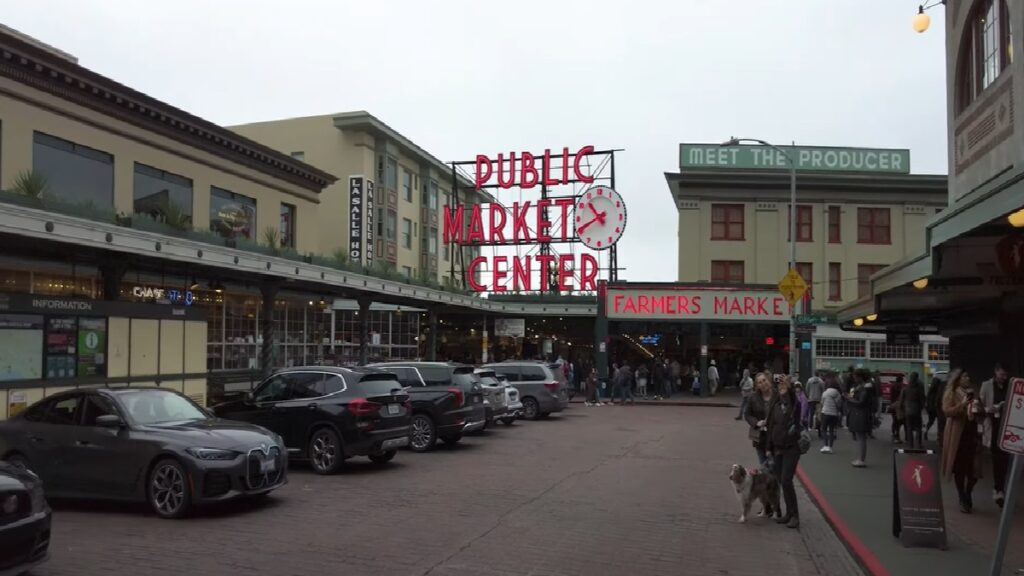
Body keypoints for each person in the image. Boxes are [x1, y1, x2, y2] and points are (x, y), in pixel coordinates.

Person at [941, 369, 982, 513]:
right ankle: (962, 496)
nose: (968, 378)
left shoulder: (972, 392)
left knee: (974, 470)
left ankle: (968, 492)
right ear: (958, 379)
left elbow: (979, 411)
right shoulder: (951, 392)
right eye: (964, 376)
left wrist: (977, 407)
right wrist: (962, 404)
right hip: (957, 435)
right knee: (960, 468)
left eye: (968, 375)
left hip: (972, 433)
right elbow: (947, 411)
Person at [766, 375, 802, 529]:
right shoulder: (775, 405)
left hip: (791, 447)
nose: (781, 388)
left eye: (784, 386)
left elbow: (794, 399)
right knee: (781, 480)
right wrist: (768, 448)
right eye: (779, 386)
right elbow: (770, 426)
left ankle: (794, 515)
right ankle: (788, 513)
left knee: (787, 480)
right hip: (778, 447)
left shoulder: (794, 405)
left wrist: (789, 386)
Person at [980, 363, 1011, 508]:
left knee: (1004, 460)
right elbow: (980, 407)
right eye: (1001, 374)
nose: (1004, 378)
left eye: (1006, 375)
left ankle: (1001, 488)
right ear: (996, 372)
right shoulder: (986, 385)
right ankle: (998, 489)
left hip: (1006, 428)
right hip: (993, 426)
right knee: (996, 459)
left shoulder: (1010, 386)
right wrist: (989, 409)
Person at [745, 372, 774, 468]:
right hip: (760, 437)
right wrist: (756, 423)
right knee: (764, 467)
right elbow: (747, 414)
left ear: (768, 380)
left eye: (764, 380)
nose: (763, 383)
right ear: (757, 385)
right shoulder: (753, 398)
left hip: (775, 436)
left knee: (775, 467)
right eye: (759, 382)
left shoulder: (777, 395)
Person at [846, 369, 873, 468]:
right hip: (858, 413)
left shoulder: (864, 388)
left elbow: (861, 402)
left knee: (861, 437)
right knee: (859, 436)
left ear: (860, 377)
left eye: (856, 376)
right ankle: (860, 458)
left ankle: (861, 459)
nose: (854, 378)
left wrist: (850, 399)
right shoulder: (861, 387)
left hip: (861, 413)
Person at [902, 372, 926, 449]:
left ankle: (910, 445)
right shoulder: (919, 389)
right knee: (918, 427)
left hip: (908, 410)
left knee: (909, 428)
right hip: (916, 410)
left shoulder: (905, 388)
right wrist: (922, 407)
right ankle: (918, 444)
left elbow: (901, 400)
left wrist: (903, 408)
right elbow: (922, 400)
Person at [819, 381, 843, 454]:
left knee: (824, 429)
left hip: (825, 412)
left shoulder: (825, 393)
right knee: (832, 430)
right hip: (834, 414)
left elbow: (822, 403)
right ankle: (830, 447)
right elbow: (839, 405)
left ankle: (826, 445)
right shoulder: (838, 394)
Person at [925, 375, 942, 443]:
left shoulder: (930, 391)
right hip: (937, 409)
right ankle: (938, 436)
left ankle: (926, 432)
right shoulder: (939, 390)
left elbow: (927, 400)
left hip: (931, 409)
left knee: (930, 421)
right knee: (939, 422)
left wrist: (928, 408)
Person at [890, 375, 906, 444]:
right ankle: (897, 436)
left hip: (893, 405)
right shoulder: (900, 387)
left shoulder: (893, 386)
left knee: (895, 421)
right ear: (901, 381)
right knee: (899, 422)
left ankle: (894, 435)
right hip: (898, 406)